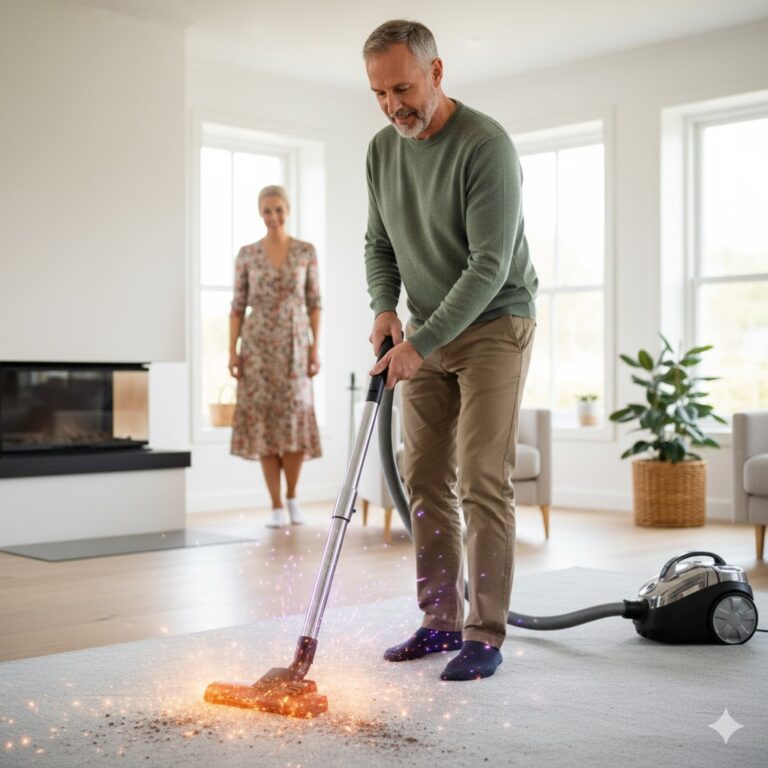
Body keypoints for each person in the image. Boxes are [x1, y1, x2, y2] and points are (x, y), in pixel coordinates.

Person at [362, 20, 538, 681]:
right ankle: (439, 621)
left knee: (482, 476)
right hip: (425, 328)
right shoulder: (382, 150)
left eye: (403, 89)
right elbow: (379, 243)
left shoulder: (485, 145)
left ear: (436, 73)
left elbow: (490, 265)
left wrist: (422, 341)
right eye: (380, 94)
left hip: (494, 323)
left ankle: (484, 634)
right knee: (424, 476)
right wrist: (386, 308)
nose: (393, 106)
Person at [229, 185, 322, 528]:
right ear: (260, 212)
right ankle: (276, 505)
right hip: (257, 350)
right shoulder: (247, 254)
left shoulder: (306, 251)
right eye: (267, 210)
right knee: (265, 427)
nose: (273, 217)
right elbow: (237, 307)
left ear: (288, 210)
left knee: (294, 422)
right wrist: (233, 351)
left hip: (295, 348)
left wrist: (314, 347)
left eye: (278, 209)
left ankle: (293, 497)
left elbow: (315, 303)